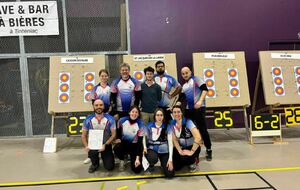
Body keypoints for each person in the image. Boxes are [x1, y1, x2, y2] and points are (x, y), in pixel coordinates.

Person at [177, 67, 212, 161]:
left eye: (186, 73)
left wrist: (200, 101)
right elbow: (181, 98)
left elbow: (205, 89)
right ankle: (193, 150)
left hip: (199, 108)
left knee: (202, 129)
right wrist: (175, 105)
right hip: (189, 110)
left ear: (190, 72)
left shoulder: (197, 79)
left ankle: (209, 149)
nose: (185, 75)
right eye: (183, 73)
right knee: (189, 130)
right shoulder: (184, 86)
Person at [81, 99, 116, 173]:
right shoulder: (88, 119)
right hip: (93, 145)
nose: (98, 107)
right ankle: (95, 164)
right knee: (92, 152)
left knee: (109, 167)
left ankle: (105, 157)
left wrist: (105, 144)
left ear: (103, 106)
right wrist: (86, 146)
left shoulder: (110, 119)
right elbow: (83, 135)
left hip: (106, 144)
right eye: (96, 105)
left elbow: (113, 135)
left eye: (101, 105)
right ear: (93, 106)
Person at [84, 69, 111, 165]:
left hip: (108, 113)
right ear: (99, 77)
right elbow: (93, 102)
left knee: (107, 133)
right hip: (98, 113)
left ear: (108, 77)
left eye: (105, 76)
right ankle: (91, 156)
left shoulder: (111, 88)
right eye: (102, 76)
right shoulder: (95, 88)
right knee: (94, 133)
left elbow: (113, 101)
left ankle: (107, 151)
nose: (104, 77)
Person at [168, 105, 202, 172]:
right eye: (174, 112)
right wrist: (179, 150)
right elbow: (174, 139)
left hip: (193, 147)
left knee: (186, 158)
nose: (176, 114)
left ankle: (193, 160)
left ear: (182, 113)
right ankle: (185, 161)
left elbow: (198, 137)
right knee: (176, 167)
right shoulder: (172, 123)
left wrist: (191, 152)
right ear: (172, 113)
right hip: (182, 146)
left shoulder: (188, 122)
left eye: (178, 112)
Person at [143, 108, 174, 178]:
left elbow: (170, 143)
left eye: (161, 115)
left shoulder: (167, 127)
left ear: (163, 116)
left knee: (170, 174)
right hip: (152, 148)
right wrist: (145, 147)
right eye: (157, 115)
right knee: (152, 158)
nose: (159, 117)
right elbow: (143, 138)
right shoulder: (149, 125)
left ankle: (163, 164)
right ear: (154, 116)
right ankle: (151, 165)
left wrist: (170, 159)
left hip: (164, 150)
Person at [113, 105, 144, 173]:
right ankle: (123, 159)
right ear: (129, 112)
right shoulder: (122, 120)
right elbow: (118, 132)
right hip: (124, 145)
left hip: (135, 147)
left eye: (136, 112)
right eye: (133, 111)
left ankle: (133, 158)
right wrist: (118, 138)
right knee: (116, 148)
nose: (134, 114)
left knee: (137, 170)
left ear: (138, 114)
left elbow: (139, 142)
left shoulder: (140, 123)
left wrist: (137, 158)